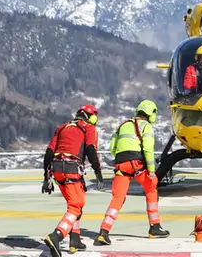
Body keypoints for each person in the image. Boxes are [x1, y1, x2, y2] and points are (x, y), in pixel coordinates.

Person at [94, 100, 169, 245]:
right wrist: (152, 171)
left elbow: (112, 147)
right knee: (151, 188)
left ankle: (104, 231)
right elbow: (148, 149)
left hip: (121, 165)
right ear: (151, 113)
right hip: (136, 164)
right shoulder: (146, 126)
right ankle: (154, 227)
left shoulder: (123, 125)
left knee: (118, 198)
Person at [42, 105, 104, 257]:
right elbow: (90, 149)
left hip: (57, 170)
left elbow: (49, 152)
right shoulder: (88, 128)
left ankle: (74, 239)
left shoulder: (62, 127)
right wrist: (98, 170)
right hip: (71, 168)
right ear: (91, 117)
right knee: (76, 206)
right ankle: (57, 235)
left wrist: (46, 176)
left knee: (75, 202)